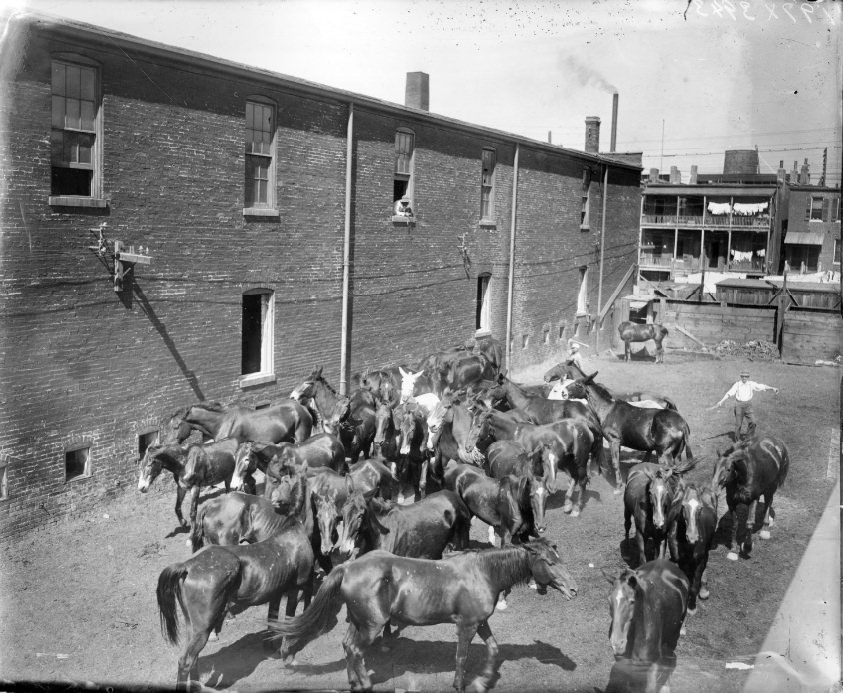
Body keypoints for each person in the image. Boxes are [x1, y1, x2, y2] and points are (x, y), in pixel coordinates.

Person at [714, 369, 779, 441]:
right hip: (739, 405)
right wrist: (721, 401)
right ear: (741, 377)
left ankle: (748, 439)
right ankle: (737, 441)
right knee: (738, 424)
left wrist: (772, 388)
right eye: (743, 376)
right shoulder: (737, 384)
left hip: (748, 406)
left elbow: (762, 386)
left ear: (748, 377)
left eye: (746, 377)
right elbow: (729, 393)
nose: (744, 378)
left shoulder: (751, 384)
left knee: (753, 422)